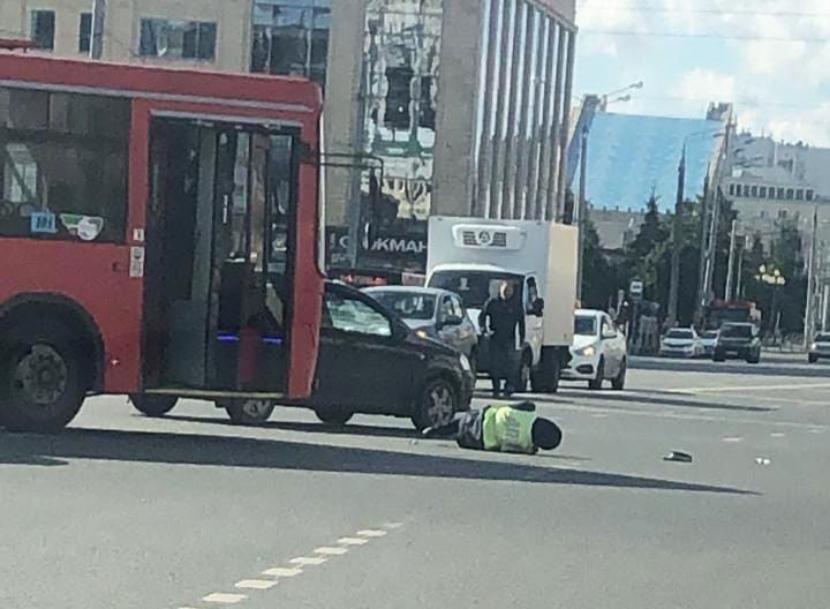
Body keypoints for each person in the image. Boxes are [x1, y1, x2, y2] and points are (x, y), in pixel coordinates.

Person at [424, 401, 562, 455]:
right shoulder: (524, 445)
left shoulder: (528, 413)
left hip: (482, 417)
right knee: (458, 433)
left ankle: (435, 430)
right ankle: (447, 433)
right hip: (479, 440)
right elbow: (505, 449)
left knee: (457, 422)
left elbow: (516, 405)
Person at [479, 280, 525, 397]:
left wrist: (522, 338)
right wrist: (484, 330)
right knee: (495, 366)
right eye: (504, 291)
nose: (506, 293)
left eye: (508, 291)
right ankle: (496, 389)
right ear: (500, 290)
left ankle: (509, 387)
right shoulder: (492, 303)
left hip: (510, 339)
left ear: (512, 292)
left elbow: (521, 323)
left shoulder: (516, 305)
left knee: (511, 365)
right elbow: (482, 316)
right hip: (495, 338)